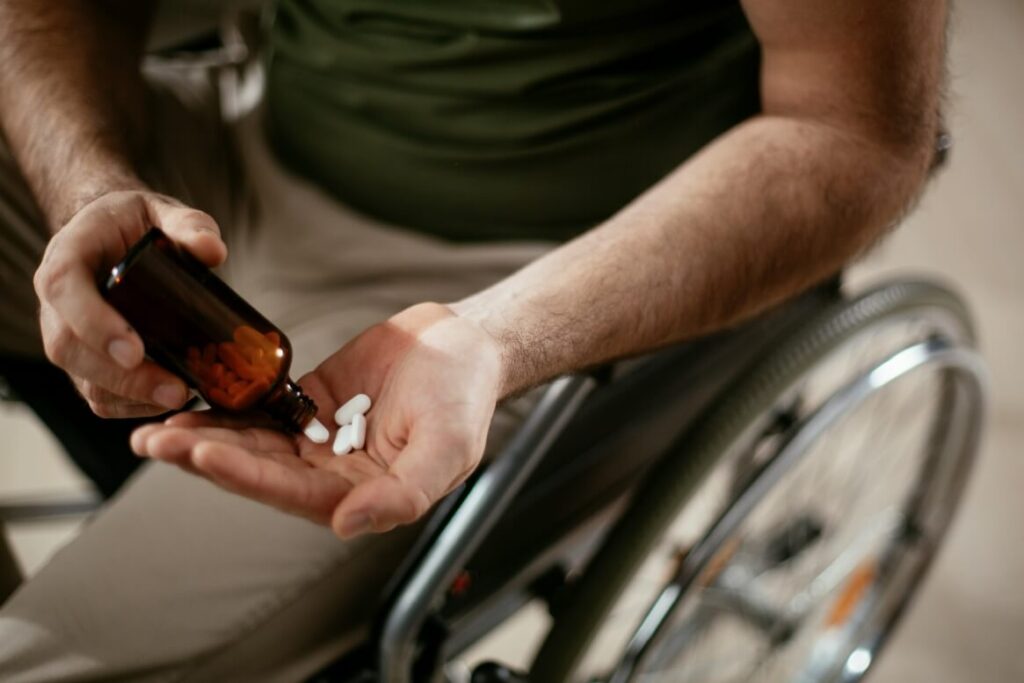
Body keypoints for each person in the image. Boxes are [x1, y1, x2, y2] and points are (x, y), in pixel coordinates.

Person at [0, 0, 947, 679]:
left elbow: (854, 131)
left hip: (557, 266)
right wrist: (90, 190)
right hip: (238, 168)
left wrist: (493, 337)